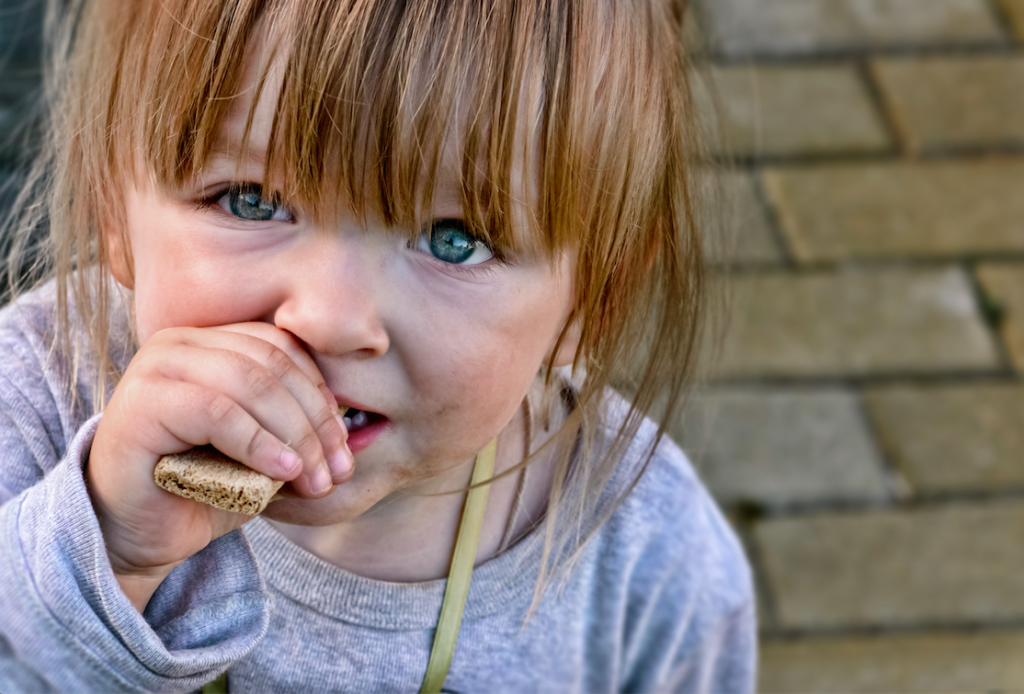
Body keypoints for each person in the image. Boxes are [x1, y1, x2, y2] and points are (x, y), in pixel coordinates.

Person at [0, 0, 755, 691]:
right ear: (111, 210)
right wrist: (107, 554)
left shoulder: (653, 564)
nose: (328, 318)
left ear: (594, 297)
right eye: (250, 200)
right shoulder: (31, 403)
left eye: (455, 240)